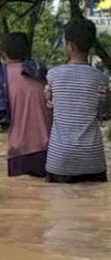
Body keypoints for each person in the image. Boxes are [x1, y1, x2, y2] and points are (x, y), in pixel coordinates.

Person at [45, 19, 108, 183]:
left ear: (70, 46)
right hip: (92, 159)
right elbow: (104, 113)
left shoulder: (53, 75)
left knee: (57, 206)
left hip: (60, 158)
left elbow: (50, 103)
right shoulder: (100, 79)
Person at [0, 33, 49, 178]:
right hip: (48, 149)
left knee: (19, 197)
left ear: (3, 53)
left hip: (18, 150)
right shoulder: (42, 73)